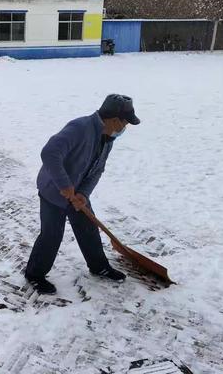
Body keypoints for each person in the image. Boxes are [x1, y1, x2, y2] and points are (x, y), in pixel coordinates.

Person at [25, 94, 140, 294]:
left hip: (77, 192)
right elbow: (50, 153)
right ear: (114, 120)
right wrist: (64, 185)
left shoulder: (107, 138)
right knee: (52, 235)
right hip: (53, 190)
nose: (125, 128)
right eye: (125, 123)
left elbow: (97, 170)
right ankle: (34, 274)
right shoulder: (79, 128)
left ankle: (98, 266)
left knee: (88, 228)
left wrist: (83, 195)